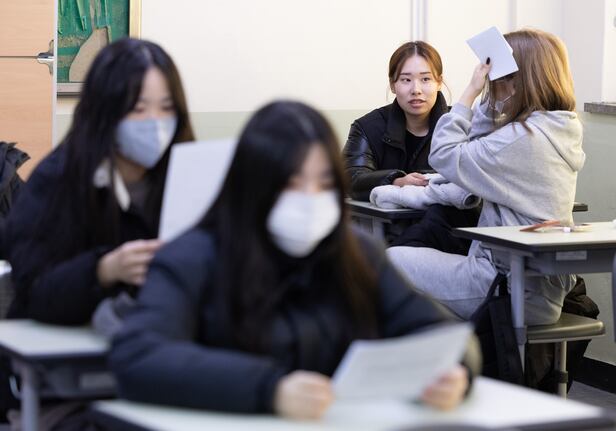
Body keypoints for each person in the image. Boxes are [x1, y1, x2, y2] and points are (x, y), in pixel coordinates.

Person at [109, 101, 480, 419]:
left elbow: (449, 337)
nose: (309, 198)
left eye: (324, 184)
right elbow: (138, 357)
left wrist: (454, 372)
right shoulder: (194, 257)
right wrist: (271, 389)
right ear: (253, 186)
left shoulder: (357, 254)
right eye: (291, 183)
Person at [387, 29, 584, 325]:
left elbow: (444, 154)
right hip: (538, 287)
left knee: (389, 261)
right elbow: (478, 145)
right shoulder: (555, 128)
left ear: (517, 79)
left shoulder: (522, 139)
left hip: (507, 288)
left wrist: (471, 92)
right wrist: (494, 100)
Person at [5, 38, 195, 325]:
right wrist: (103, 269)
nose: (155, 123)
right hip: (63, 338)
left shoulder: (184, 172)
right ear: (105, 110)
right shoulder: (58, 178)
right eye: (138, 109)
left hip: (154, 329)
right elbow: (34, 290)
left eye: (166, 108)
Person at [343, 41, 478, 253]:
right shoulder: (368, 127)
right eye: (406, 80)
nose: (416, 90)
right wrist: (396, 180)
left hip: (451, 234)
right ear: (393, 84)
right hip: (387, 234)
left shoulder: (462, 124)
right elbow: (350, 178)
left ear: (439, 82)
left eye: (426, 79)